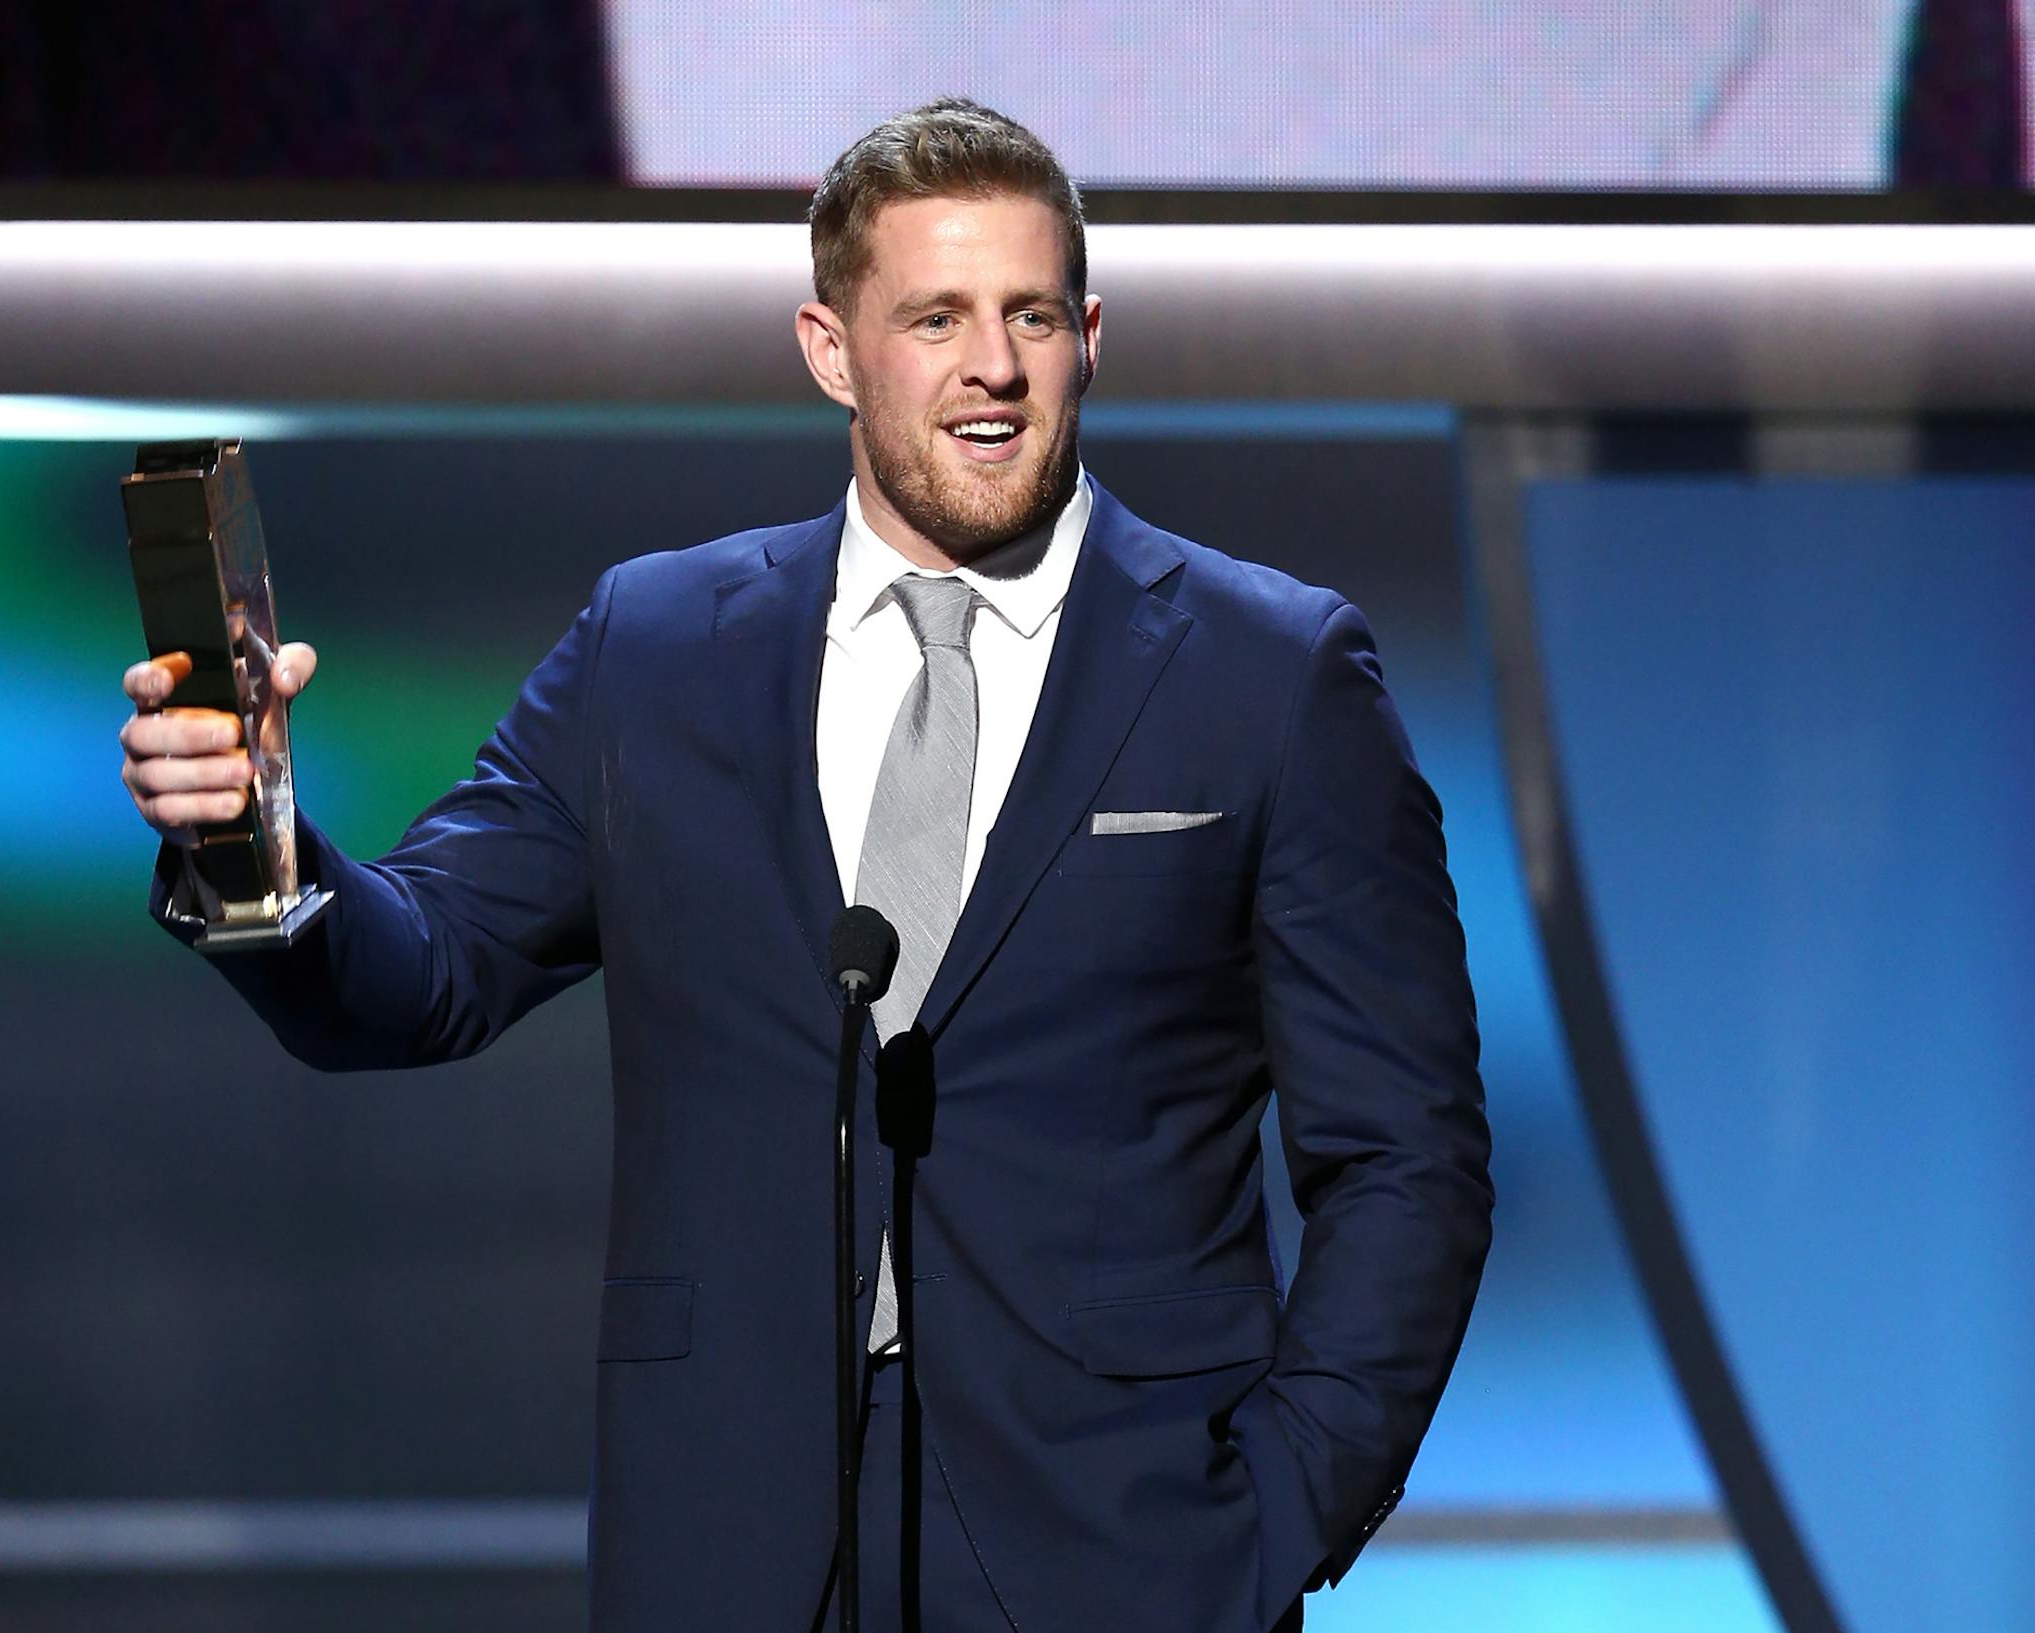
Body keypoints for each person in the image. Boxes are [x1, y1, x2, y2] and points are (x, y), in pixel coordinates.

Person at [118, 98, 1492, 1633]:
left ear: (1089, 334)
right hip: (729, 1545)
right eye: (936, 317)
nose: (994, 366)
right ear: (830, 348)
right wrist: (259, 839)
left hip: (1123, 1549)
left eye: (1032, 314)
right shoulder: (656, 649)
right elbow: (425, 965)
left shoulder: (1270, 672)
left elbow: (1407, 1156)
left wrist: (1278, 1509)